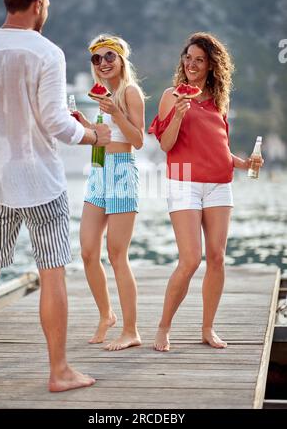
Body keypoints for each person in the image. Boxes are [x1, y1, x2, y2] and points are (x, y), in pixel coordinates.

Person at [0, 0, 111, 391]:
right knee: (52, 273)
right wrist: (94, 134)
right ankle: (59, 371)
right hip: (39, 180)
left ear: (9, 1)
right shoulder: (46, 52)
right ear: (38, 4)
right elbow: (57, 123)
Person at [148, 32, 264, 351]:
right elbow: (166, 144)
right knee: (190, 259)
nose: (192, 64)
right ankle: (163, 327)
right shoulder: (172, 95)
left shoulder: (218, 101)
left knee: (217, 257)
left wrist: (247, 163)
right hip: (183, 181)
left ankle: (208, 328)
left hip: (219, 184)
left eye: (199, 59)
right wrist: (179, 114)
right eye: (188, 57)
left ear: (211, 65)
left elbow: (220, 149)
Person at [77, 34, 145, 351]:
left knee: (117, 255)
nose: (103, 63)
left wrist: (116, 112)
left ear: (120, 60)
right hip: (98, 169)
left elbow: (137, 139)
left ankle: (131, 330)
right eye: (97, 59)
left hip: (120, 171)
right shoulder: (103, 94)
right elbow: (104, 137)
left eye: (109, 57)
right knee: (88, 251)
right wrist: (85, 124)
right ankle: (107, 315)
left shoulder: (130, 92)